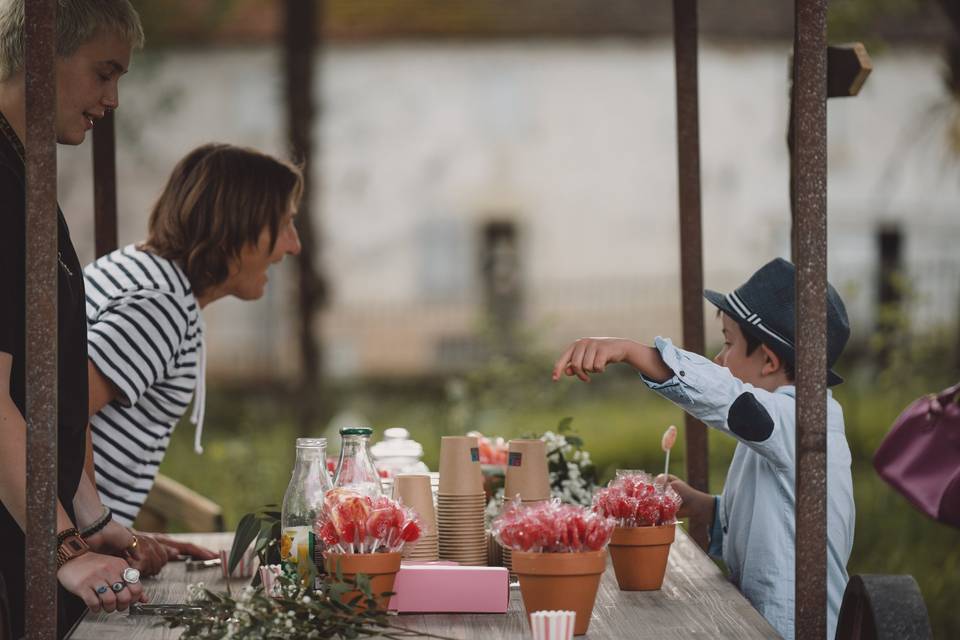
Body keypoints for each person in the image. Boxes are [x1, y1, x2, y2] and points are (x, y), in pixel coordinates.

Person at [552, 258, 855, 640]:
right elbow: (769, 528)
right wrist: (701, 505)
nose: (720, 359)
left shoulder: (804, 421)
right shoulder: (777, 426)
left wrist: (633, 352)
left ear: (769, 360)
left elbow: (729, 399)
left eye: (729, 344)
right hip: (757, 622)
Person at [0, 1, 148, 637]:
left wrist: (89, 518)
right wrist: (62, 548)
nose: (112, 98)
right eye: (104, 73)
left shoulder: (26, 175)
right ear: (39, 54)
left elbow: (47, 391)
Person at [84, 143, 303, 528]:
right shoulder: (161, 307)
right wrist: (93, 531)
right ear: (237, 227)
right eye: (284, 224)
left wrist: (123, 535)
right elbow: (53, 416)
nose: (293, 245)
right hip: (62, 554)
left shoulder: (142, 271)